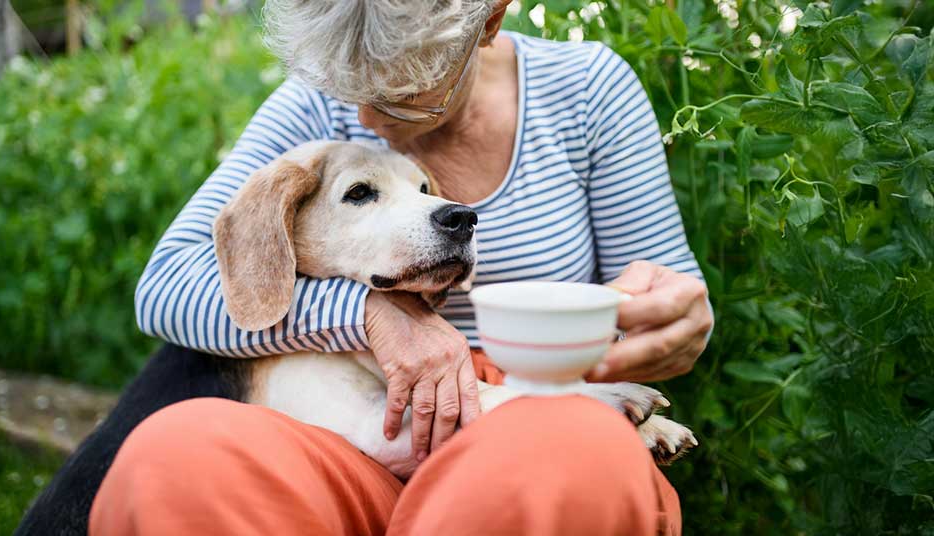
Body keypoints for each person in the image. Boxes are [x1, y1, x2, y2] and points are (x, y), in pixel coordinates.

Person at [90, 1, 714, 534]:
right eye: (352, 89)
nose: (365, 119)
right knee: (178, 456)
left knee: (569, 452)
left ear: (488, 21)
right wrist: (369, 315)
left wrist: (667, 322)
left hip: (528, 427)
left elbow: (660, 290)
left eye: (403, 89)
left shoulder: (588, 92)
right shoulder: (316, 109)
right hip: (349, 433)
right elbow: (168, 286)